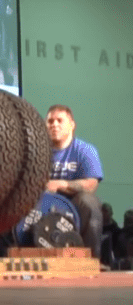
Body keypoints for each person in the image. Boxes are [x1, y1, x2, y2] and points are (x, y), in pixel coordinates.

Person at [45, 104, 104, 259]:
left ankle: (91, 260)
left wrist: (59, 184)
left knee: (89, 202)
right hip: (44, 201)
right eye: (50, 121)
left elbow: (91, 184)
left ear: (72, 125)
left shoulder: (85, 150)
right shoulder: (38, 150)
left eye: (59, 120)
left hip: (73, 201)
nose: (54, 125)